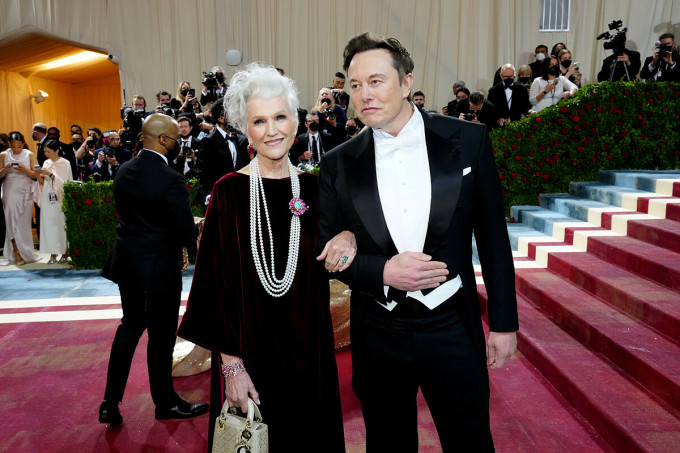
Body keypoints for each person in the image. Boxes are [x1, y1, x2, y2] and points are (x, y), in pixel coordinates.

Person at [318, 32, 518, 452]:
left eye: (376, 81)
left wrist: (503, 322)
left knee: (470, 439)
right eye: (354, 86)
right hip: (377, 330)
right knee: (388, 442)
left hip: (452, 324)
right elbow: (323, 247)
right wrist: (383, 271)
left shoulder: (469, 140)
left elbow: (494, 239)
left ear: (407, 82)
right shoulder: (337, 163)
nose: (363, 95)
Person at [177, 63, 349, 452]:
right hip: (250, 357)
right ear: (246, 129)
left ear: (295, 120)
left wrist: (349, 235)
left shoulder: (317, 189)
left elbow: (343, 250)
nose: (272, 130)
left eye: (280, 117)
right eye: (259, 121)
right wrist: (231, 368)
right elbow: (212, 290)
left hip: (311, 356)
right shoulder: (229, 192)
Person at [98, 113, 209, 425]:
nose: (178, 145)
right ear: (163, 140)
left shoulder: (124, 170)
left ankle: (110, 402)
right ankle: (165, 403)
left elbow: (141, 218)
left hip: (128, 263)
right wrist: (193, 238)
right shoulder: (170, 178)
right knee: (161, 337)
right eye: (175, 139)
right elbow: (183, 228)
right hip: (160, 266)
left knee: (130, 325)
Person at [0, 132, 39, 266]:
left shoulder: (29, 154)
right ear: (9, 145)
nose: (16, 149)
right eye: (13, 146)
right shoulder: (3, 155)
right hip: (10, 188)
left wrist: (26, 171)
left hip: (26, 188)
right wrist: (5, 170)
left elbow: (36, 174)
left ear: (23, 144)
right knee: (11, 219)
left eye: (19, 146)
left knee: (24, 223)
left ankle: (26, 252)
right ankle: (15, 252)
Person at [35, 139, 71, 264]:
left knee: (61, 225)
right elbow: (41, 181)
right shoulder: (46, 162)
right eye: (45, 151)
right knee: (49, 225)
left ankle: (65, 252)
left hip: (60, 198)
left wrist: (50, 175)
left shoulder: (64, 163)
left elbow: (66, 182)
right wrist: (39, 174)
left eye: (49, 151)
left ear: (57, 151)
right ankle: (52, 254)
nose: (46, 154)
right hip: (47, 196)